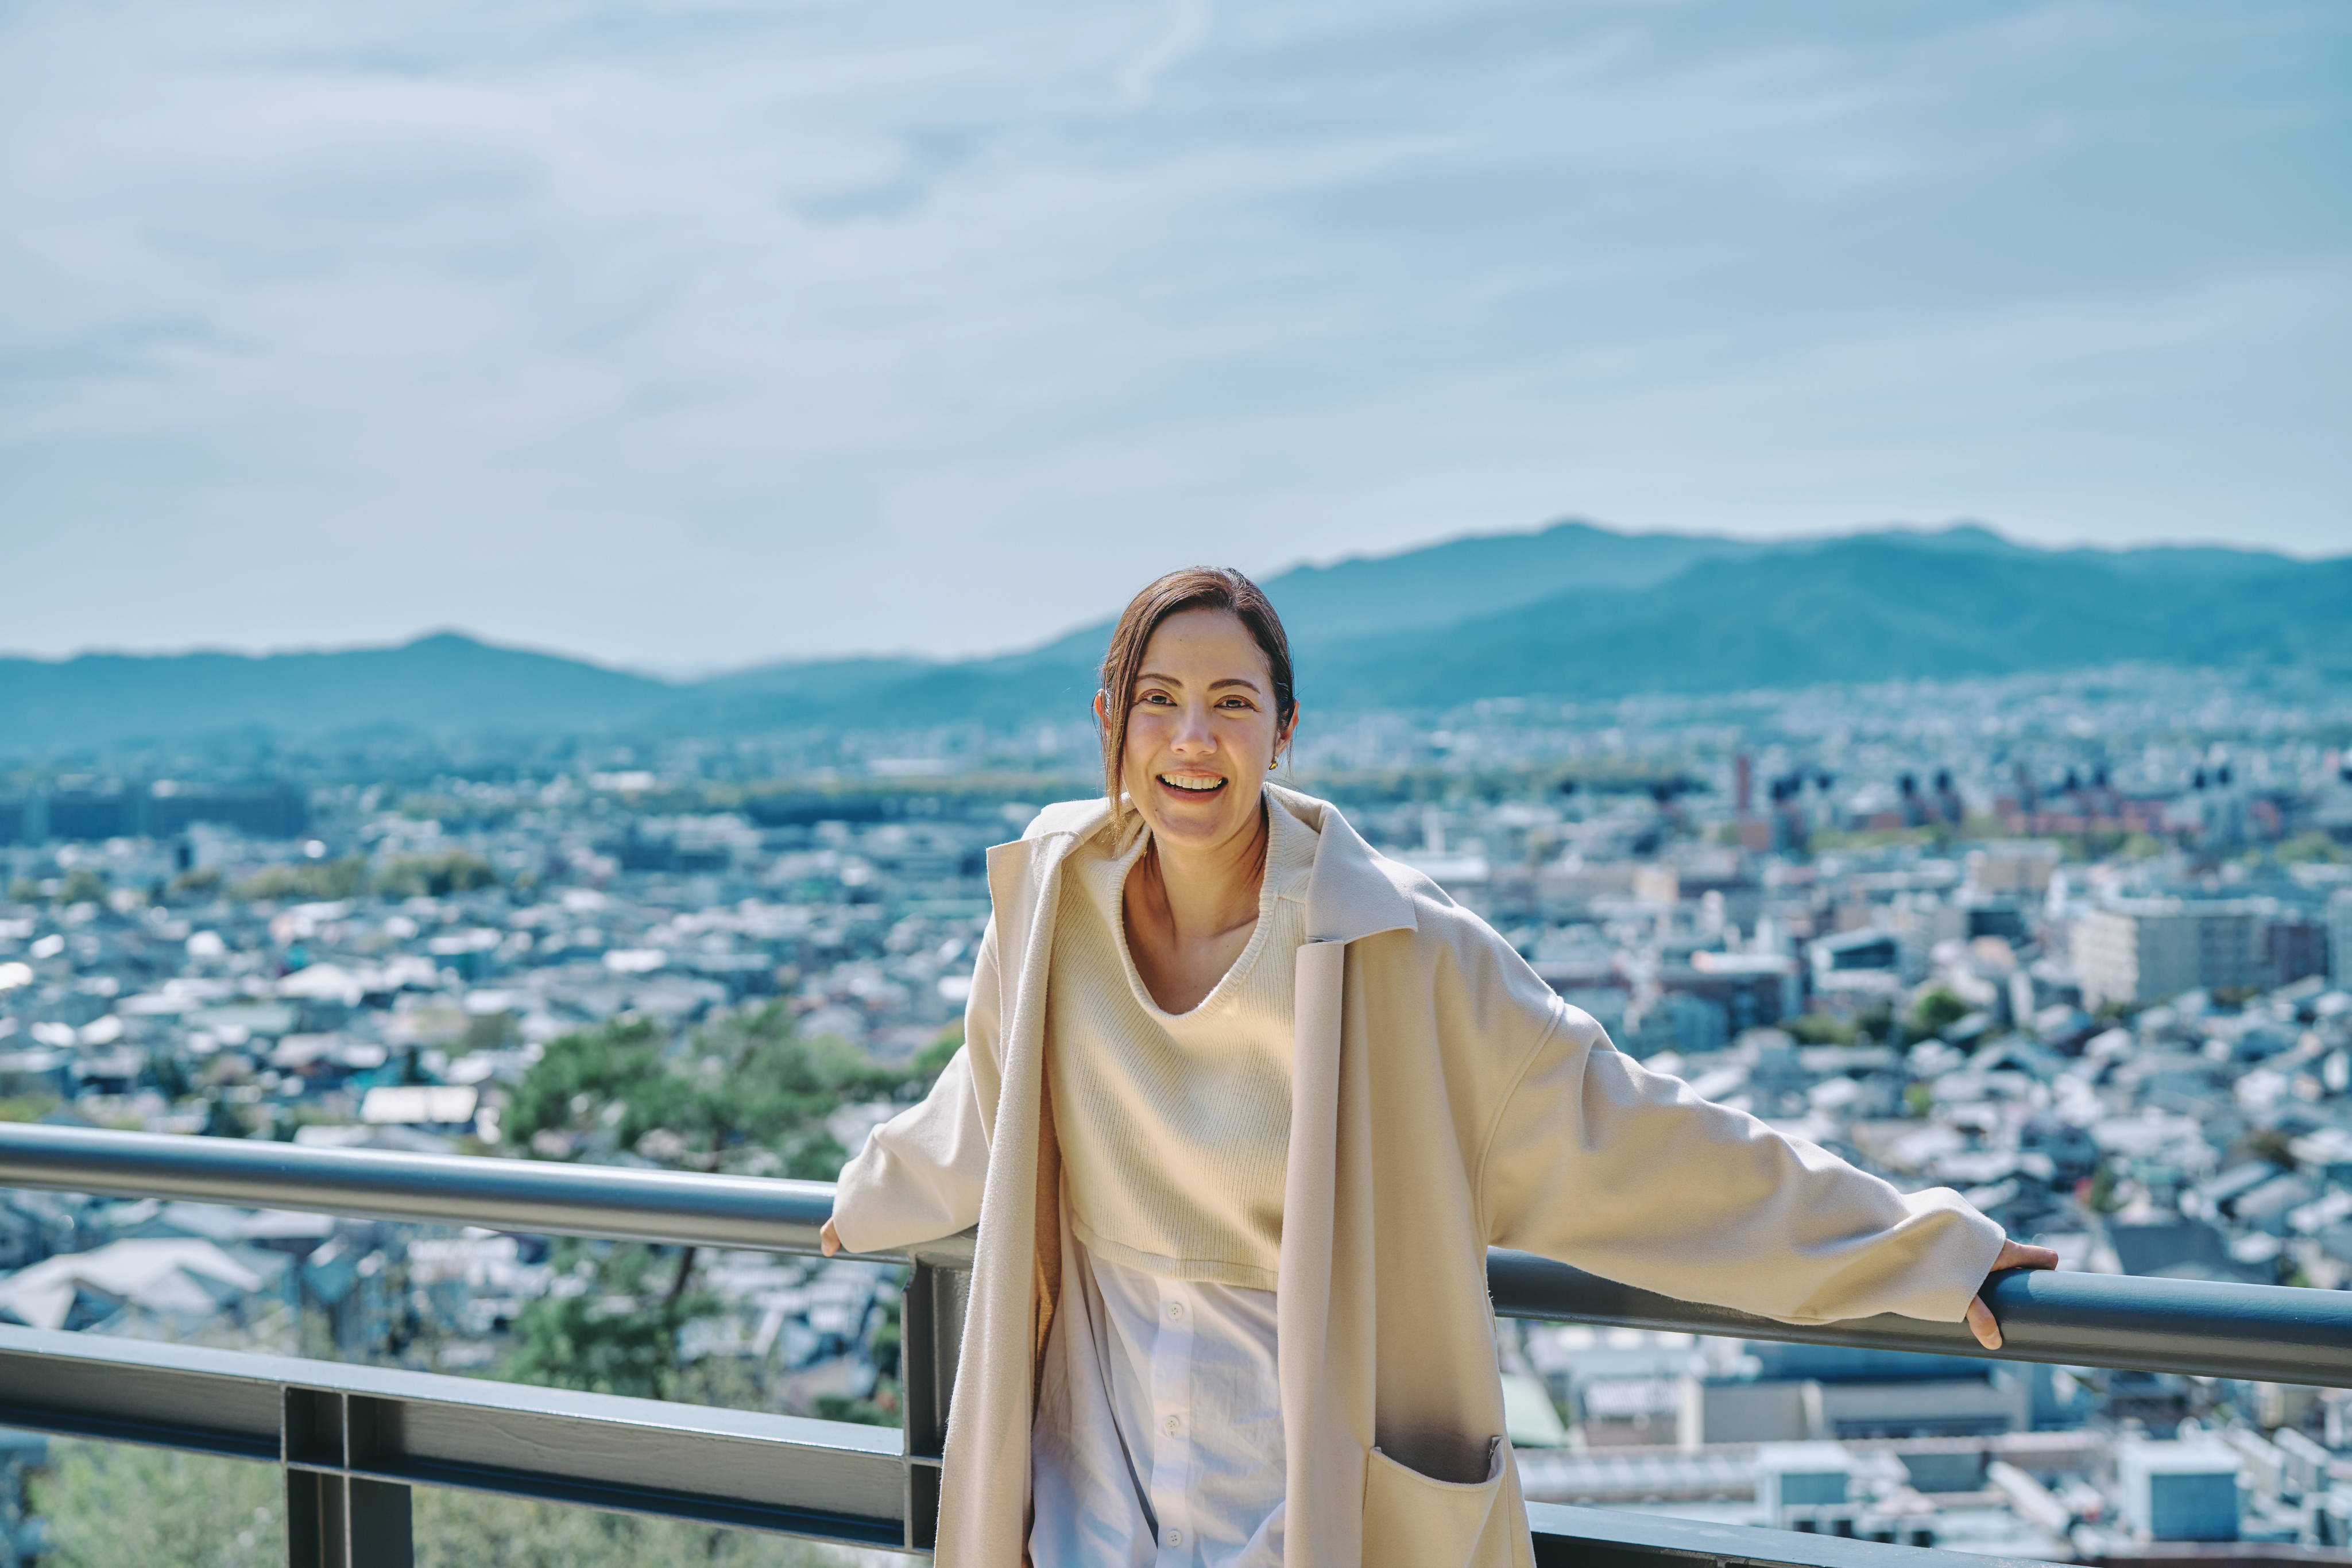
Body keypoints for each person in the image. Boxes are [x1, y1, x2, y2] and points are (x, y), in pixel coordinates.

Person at [822, 566, 2056, 1568]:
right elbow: (989, 1100)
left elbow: (1627, 1134)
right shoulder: (1050, 903)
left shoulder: (1394, 945)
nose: (1191, 739)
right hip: (1090, 1448)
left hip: (1302, 1462)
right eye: (1157, 699)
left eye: (1232, 703)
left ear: (1284, 727)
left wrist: (1928, 1250)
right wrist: (857, 1202)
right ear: (1109, 721)